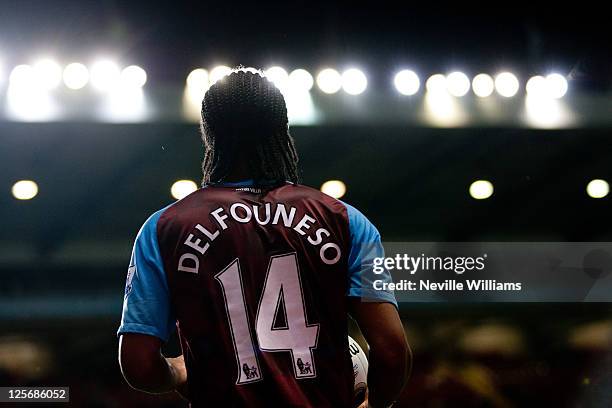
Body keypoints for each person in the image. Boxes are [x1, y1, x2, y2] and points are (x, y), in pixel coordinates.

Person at [117, 68, 410, 407]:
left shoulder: (164, 227)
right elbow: (391, 350)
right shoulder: (346, 221)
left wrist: (178, 372)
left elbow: (137, 365)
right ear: (282, 130)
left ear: (210, 136)